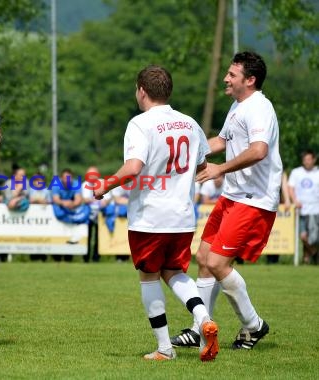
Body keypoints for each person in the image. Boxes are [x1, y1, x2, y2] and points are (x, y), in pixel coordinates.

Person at [93, 65, 218, 361]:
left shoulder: (140, 124)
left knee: (149, 277)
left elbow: (134, 168)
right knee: (174, 272)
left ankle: (164, 348)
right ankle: (203, 320)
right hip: (183, 216)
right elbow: (201, 166)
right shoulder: (189, 123)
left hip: (150, 216)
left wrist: (105, 185)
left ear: (141, 91)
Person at [171, 51, 281, 351]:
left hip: (254, 199)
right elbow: (222, 141)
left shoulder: (259, 108)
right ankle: (199, 330)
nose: (226, 79)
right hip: (232, 196)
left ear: (250, 80)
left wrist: (219, 167)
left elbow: (259, 150)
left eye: (232, 75)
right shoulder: (238, 105)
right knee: (205, 259)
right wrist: (186, 153)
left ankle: (254, 326)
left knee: (218, 262)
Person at [51, 168, 89, 262]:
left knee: (71, 233)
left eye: (69, 178)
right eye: (65, 178)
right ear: (61, 178)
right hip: (60, 212)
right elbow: (55, 199)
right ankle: (57, 256)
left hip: (72, 211)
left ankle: (69, 256)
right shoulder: (56, 184)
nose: (67, 180)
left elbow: (78, 199)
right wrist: (64, 203)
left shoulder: (76, 184)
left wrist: (72, 204)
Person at [288, 150, 319, 264]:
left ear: (314, 160)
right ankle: (314, 253)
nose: (307, 162)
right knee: (303, 236)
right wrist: (294, 200)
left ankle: (307, 258)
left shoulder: (317, 173)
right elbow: (290, 187)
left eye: (309, 159)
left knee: (314, 238)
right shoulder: (296, 172)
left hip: (316, 210)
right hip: (301, 210)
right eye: (305, 159)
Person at [81, 166, 105, 263]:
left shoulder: (102, 183)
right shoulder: (84, 185)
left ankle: (96, 257)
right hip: (88, 215)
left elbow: (107, 200)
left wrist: (93, 200)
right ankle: (86, 257)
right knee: (87, 236)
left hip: (101, 214)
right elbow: (85, 200)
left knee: (99, 237)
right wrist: (98, 200)